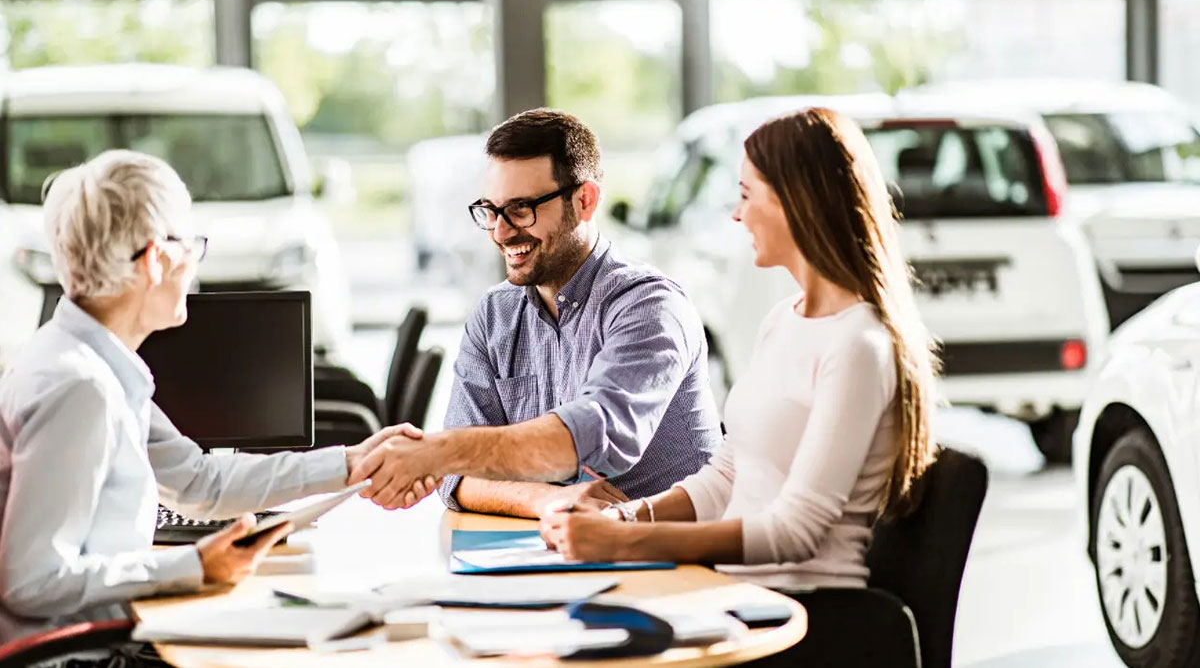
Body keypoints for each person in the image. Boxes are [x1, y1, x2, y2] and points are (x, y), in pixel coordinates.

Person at [0, 150, 430, 653]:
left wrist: (352, 463)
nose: (195, 265)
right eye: (192, 245)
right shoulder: (81, 386)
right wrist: (194, 567)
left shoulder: (90, 363)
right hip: (74, 656)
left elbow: (198, 482)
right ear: (157, 258)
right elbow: (31, 581)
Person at [538, 107, 940, 590]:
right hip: (737, 591)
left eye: (747, 195)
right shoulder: (783, 321)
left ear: (798, 203)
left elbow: (796, 532)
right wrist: (625, 519)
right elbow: (728, 476)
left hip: (810, 614)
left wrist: (624, 545)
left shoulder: (859, 344)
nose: (736, 213)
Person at [349, 109, 722, 517]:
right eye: (491, 211)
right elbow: (458, 480)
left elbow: (592, 437)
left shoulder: (650, 306)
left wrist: (438, 452)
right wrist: (545, 499)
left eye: (521, 209)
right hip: (556, 550)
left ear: (585, 200)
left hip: (673, 559)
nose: (500, 231)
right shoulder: (495, 315)